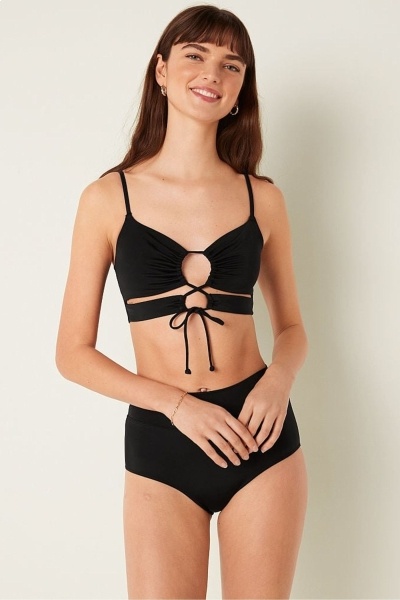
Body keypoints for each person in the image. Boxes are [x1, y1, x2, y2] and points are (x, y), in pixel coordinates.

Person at [56, 5, 308, 598]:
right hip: (161, 438)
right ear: (162, 71)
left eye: (232, 64)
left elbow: (292, 328)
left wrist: (276, 383)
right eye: (196, 55)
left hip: (260, 434)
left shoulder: (262, 199)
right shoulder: (107, 198)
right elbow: (71, 353)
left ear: (241, 90)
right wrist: (177, 406)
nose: (212, 73)